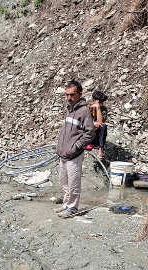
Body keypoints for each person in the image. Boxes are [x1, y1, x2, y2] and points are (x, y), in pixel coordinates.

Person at [55, 80, 94, 219]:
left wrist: (76, 146)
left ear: (80, 94)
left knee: (74, 183)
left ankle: (73, 208)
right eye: (67, 95)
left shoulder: (84, 111)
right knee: (63, 182)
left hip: (73, 154)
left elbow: (90, 133)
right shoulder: (69, 109)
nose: (69, 98)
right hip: (63, 153)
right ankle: (66, 204)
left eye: (72, 95)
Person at [87, 90, 107, 160]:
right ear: (93, 101)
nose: (101, 104)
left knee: (103, 126)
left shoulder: (103, 109)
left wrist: (98, 108)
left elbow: (100, 121)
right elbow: (82, 122)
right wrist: (92, 123)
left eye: (102, 103)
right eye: (99, 102)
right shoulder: (87, 109)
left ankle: (101, 150)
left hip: (97, 137)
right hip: (87, 136)